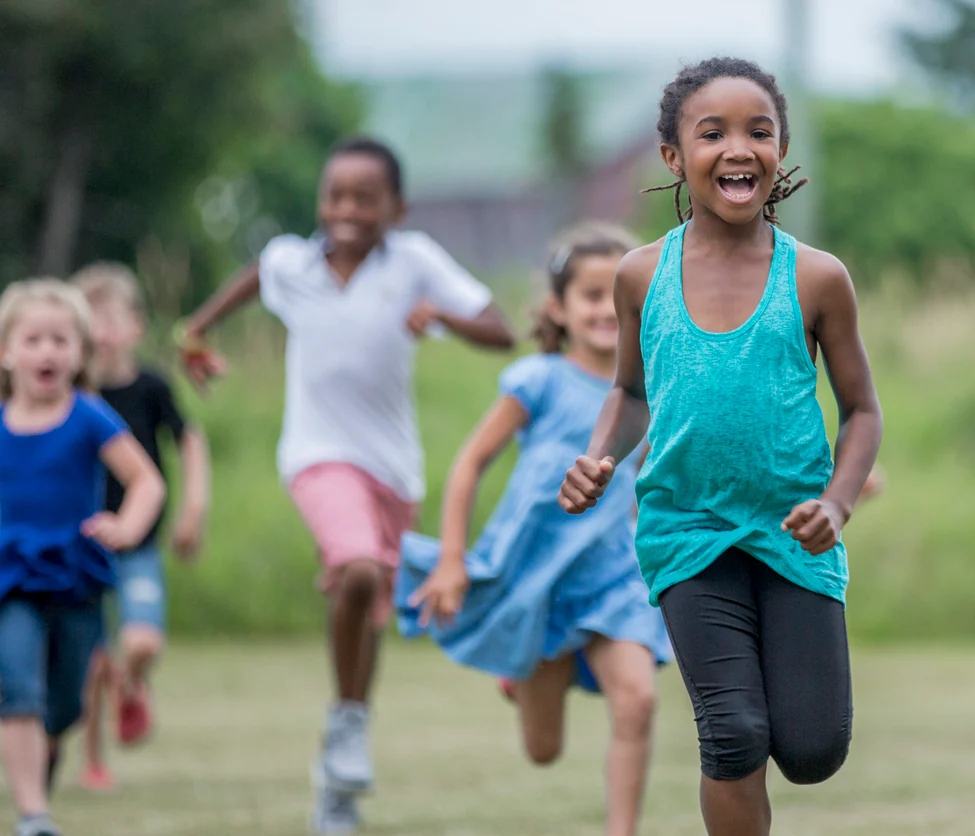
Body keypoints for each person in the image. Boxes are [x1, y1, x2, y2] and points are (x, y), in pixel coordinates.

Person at [558, 57, 883, 836]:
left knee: (810, 749)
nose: (738, 148)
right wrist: (601, 454)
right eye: (713, 133)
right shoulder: (641, 277)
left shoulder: (816, 278)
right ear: (674, 157)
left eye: (758, 131)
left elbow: (862, 410)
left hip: (790, 530)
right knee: (734, 731)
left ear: (780, 149)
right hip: (686, 528)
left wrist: (837, 504)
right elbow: (632, 392)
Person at [175, 136, 516, 833]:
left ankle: (340, 765)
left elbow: (500, 331)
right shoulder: (291, 263)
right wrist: (197, 335)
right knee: (357, 568)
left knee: (368, 609)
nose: (347, 210)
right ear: (320, 202)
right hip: (316, 455)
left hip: (394, 470)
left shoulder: (415, 260)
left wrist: (441, 317)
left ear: (397, 207)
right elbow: (249, 279)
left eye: (365, 198)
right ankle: (347, 724)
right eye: (335, 196)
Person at [395, 222, 671, 836]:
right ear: (558, 309)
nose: (606, 310)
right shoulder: (539, 381)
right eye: (590, 296)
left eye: (617, 296)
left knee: (639, 700)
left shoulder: (657, 390)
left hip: (615, 577)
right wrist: (451, 559)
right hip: (535, 577)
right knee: (543, 750)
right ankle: (521, 673)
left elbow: (663, 477)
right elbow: (469, 464)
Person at [0, 279, 165, 836]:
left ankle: (43, 755)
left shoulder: (89, 417)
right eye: (33, 340)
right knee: (15, 683)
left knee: (67, 703)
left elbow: (146, 482)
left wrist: (127, 524)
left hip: (76, 575)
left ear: (80, 352)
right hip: (10, 577)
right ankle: (33, 815)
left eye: (60, 340)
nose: (47, 351)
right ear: (6, 351)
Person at [69, 263, 212, 791]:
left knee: (141, 642)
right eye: (91, 321)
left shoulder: (152, 386)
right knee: (89, 663)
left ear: (136, 326)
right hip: (78, 546)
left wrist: (193, 508)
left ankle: (132, 685)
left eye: (111, 319)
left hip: (139, 542)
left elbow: (190, 441)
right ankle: (93, 760)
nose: (101, 332)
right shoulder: (68, 394)